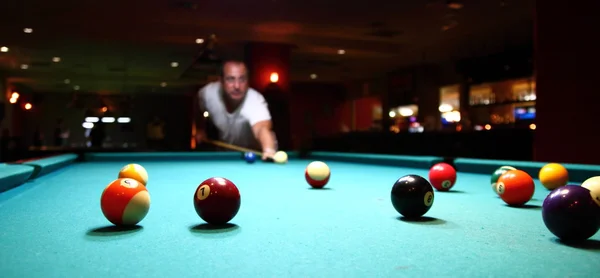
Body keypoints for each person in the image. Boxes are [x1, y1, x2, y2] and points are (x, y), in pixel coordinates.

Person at [195, 60, 277, 160]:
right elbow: (198, 104)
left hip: (258, 155)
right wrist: (200, 128)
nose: (237, 86)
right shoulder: (208, 94)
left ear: (248, 81)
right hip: (227, 153)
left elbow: (262, 128)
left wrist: (269, 150)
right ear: (221, 81)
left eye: (242, 79)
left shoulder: (254, 101)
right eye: (230, 79)